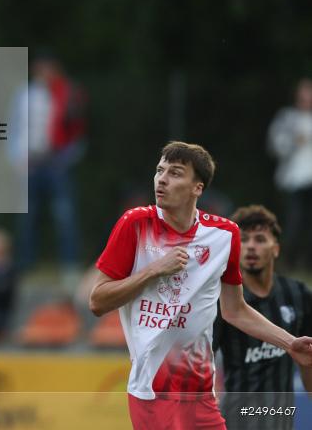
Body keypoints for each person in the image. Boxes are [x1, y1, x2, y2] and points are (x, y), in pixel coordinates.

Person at [89, 141, 312, 430]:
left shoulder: (225, 235)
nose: (163, 179)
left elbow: (235, 311)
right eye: (160, 170)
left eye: (176, 173)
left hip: (201, 393)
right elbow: (97, 301)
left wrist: (289, 343)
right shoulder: (135, 223)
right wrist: (154, 270)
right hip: (152, 391)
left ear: (198, 188)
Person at [213, 204, 312, 430]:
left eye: (259, 239)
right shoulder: (224, 300)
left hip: (282, 419)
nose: (250, 247)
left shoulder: (298, 294)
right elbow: (203, 359)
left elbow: (309, 359)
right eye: (244, 240)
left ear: (275, 248)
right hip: (235, 419)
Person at [8, 51, 86, 282]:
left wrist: (66, 159)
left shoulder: (67, 94)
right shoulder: (25, 94)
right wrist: (16, 158)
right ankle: (26, 264)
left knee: (64, 214)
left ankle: (69, 264)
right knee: (27, 216)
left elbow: (78, 130)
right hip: (31, 162)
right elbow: (14, 127)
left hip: (56, 162)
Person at [267, 78, 312, 269]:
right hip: (294, 180)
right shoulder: (287, 118)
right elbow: (275, 145)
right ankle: (288, 262)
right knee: (294, 222)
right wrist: (294, 142)